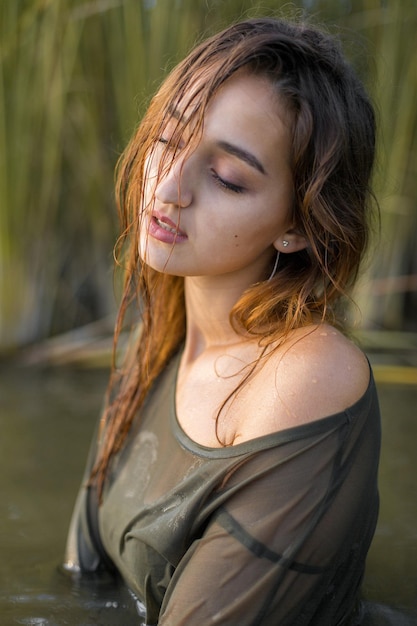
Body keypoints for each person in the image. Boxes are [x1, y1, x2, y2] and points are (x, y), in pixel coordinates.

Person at [64, 16, 381, 626]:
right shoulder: (161, 331)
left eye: (228, 177)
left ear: (296, 225)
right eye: (167, 140)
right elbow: (81, 578)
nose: (171, 186)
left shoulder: (309, 375)